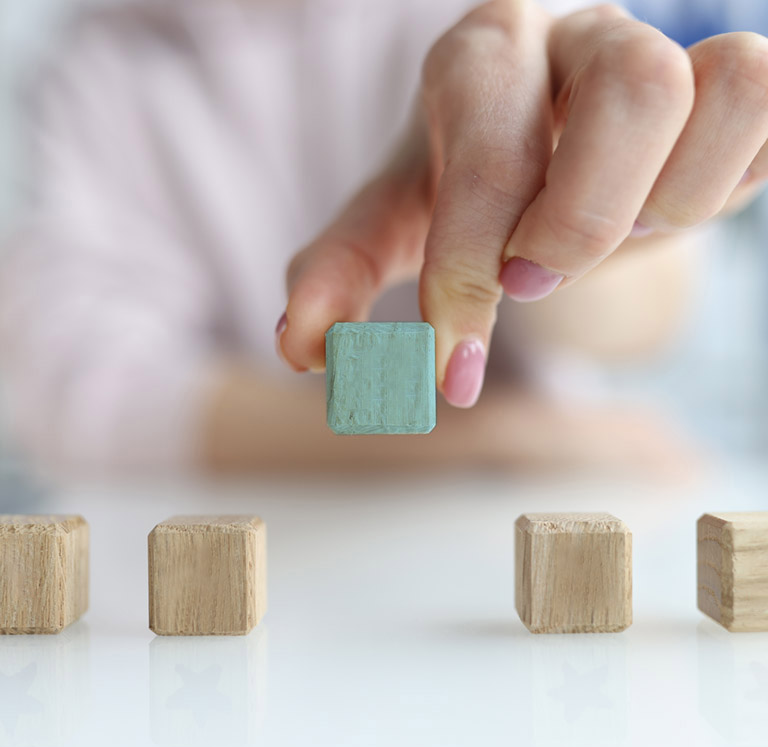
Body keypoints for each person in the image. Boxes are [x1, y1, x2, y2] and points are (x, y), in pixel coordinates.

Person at [0, 0, 766, 475]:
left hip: (502, 554)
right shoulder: (95, 63)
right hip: (244, 554)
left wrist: (577, 238)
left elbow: (653, 319)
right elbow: (90, 397)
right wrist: (505, 442)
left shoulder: (510, 19)